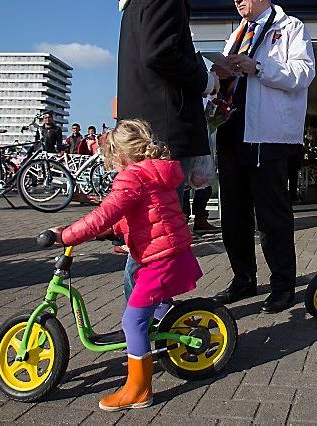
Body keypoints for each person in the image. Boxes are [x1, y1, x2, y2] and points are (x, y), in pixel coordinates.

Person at [49, 119, 202, 411]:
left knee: (132, 321)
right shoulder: (154, 172)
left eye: (110, 157)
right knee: (149, 310)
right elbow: (140, 215)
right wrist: (112, 233)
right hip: (168, 253)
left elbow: (104, 214)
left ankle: (139, 389)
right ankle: (147, 349)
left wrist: (67, 235)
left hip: (161, 259)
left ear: (120, 154)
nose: (112, 164)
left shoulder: (132, 176)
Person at [116, 0, 217, 300]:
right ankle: (147, 313)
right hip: (165, 130)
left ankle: (145, 310)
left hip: (143, 126)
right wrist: (204, 80)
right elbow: (161, 53)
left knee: (147, 225)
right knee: (160, 228)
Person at [211, 0, 315, 313]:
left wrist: (259, 68)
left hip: (267, 136)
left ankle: (283, 284)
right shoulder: (235, 34)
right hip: (230, 131)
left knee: (272, 214)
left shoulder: (291, 28)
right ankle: (243, 279)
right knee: (234, 215)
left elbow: (303, 74)